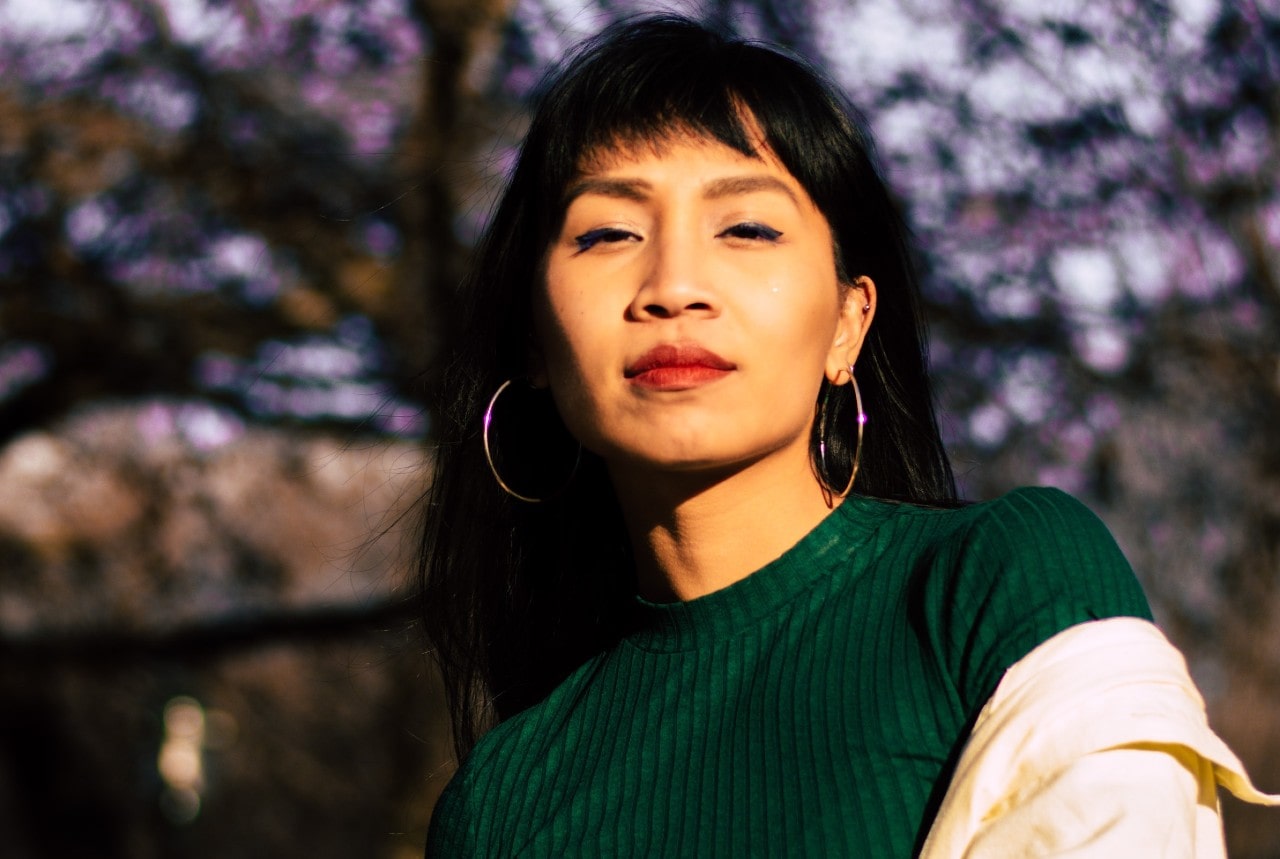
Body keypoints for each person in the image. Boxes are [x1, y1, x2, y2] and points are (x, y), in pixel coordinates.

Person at [418, 15, 1276, 857]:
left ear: (847, 324)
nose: (674, 286)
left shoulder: (1000, 588)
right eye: (609, 233)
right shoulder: (502, 798)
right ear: (534, 339)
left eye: (746, 228)